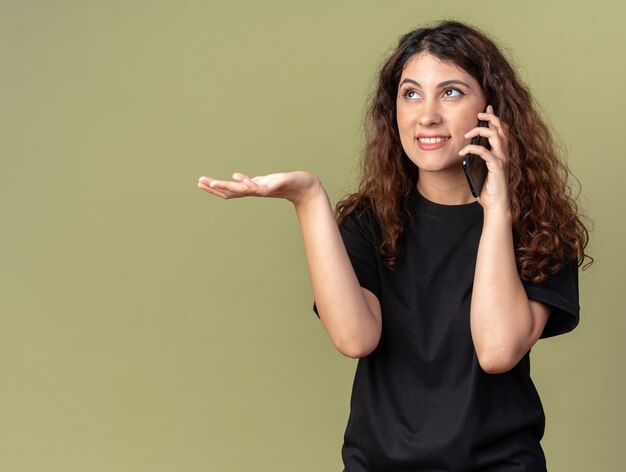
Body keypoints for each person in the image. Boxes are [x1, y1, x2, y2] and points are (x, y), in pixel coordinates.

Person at [198, 20, 591, 472]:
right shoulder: (368, 224)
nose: (427, 115)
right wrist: (307, 199)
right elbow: (354, 337)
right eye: (411, 93)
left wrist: (497, 209)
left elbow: (497, 350)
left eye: (451, 92)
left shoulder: (539, 229)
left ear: (492, 109)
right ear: (394, 110)